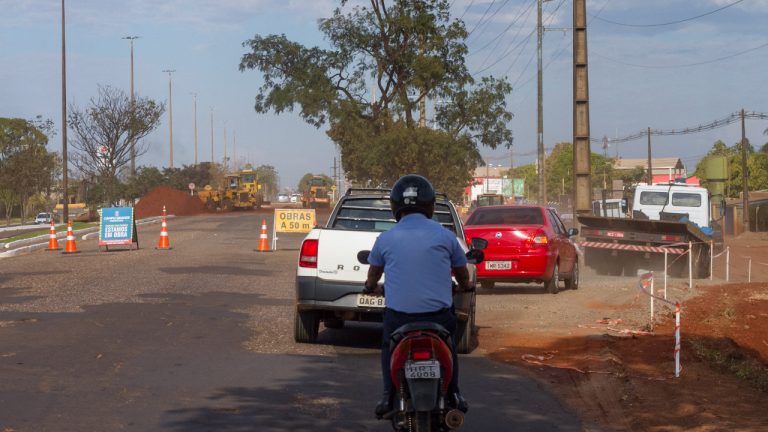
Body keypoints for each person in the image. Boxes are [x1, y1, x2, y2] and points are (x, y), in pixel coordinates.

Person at [364, 174, 473, 418]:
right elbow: (462, 273)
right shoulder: (446, 236)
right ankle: (454, 392)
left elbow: (373, 273)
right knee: (450, 345)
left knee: (387, 347)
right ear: (431, 206)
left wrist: (370, 287)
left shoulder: (385, 239)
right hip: (438, 317)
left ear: (395, 207)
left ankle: (387, 395)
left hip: (399, 318)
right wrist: (466, 286)